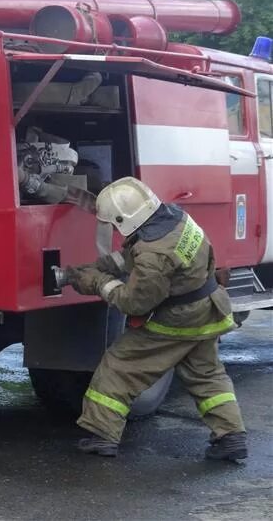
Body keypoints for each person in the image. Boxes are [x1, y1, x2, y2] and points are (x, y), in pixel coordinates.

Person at [64, 177, 247, 461]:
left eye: (114, 223)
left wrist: (97, 282)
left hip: (177, 319)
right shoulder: (175, 219)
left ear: (126, 218)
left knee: (119, 367)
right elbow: (133, 255)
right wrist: (101, 266)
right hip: (208, 308)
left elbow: (134, 302)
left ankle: (102, 436)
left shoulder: (153, 255)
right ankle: (231, 436)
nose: (113, 228)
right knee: (208, 376)